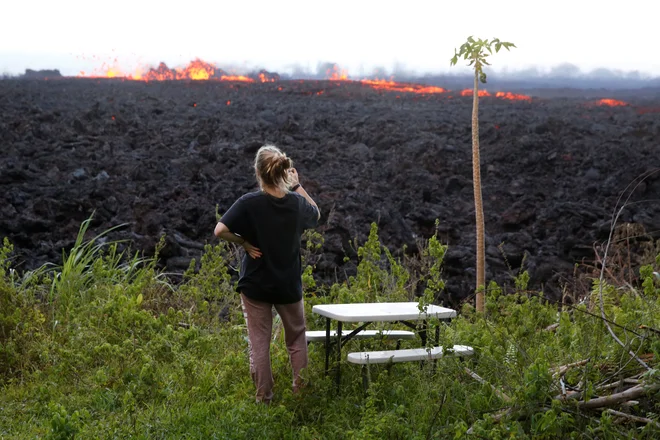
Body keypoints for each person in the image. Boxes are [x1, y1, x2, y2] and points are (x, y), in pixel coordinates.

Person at [214, 145, 321, 403]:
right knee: (297, 337)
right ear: (284, 172)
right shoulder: (296, 203)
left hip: (256, 284)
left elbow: (220, 230)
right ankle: (301, 394)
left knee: (259, 341)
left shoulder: (249, 203)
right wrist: (296, 186)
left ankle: (264, 397)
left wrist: (244, 244)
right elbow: (315, 214)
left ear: (259, 173)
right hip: (288, 284)